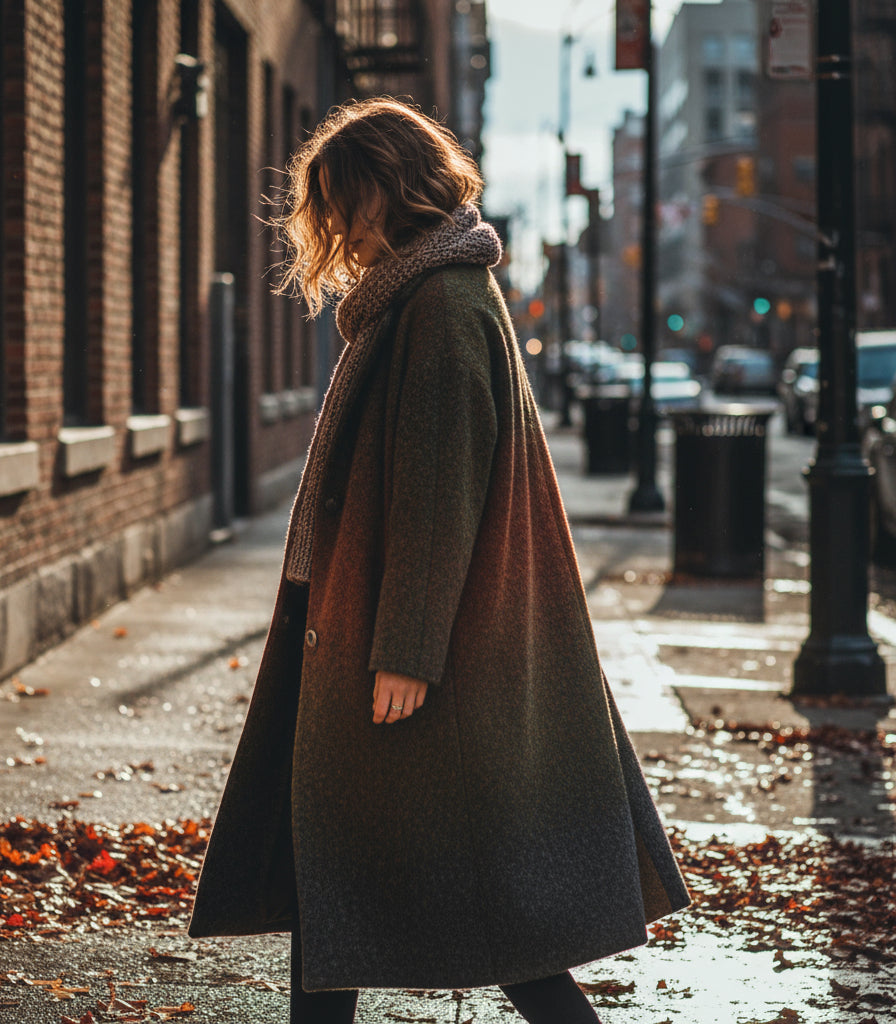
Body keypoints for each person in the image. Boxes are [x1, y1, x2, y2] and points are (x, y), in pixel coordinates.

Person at [188, 97, 690, 1024]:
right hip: (387, 634)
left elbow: (439, 491)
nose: (336, 224)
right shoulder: (422, 296)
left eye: (345, 200)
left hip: (425, 657)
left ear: (392, 188)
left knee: (489, 917)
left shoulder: (442, 305)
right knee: (346, 885)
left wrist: (409, 652)